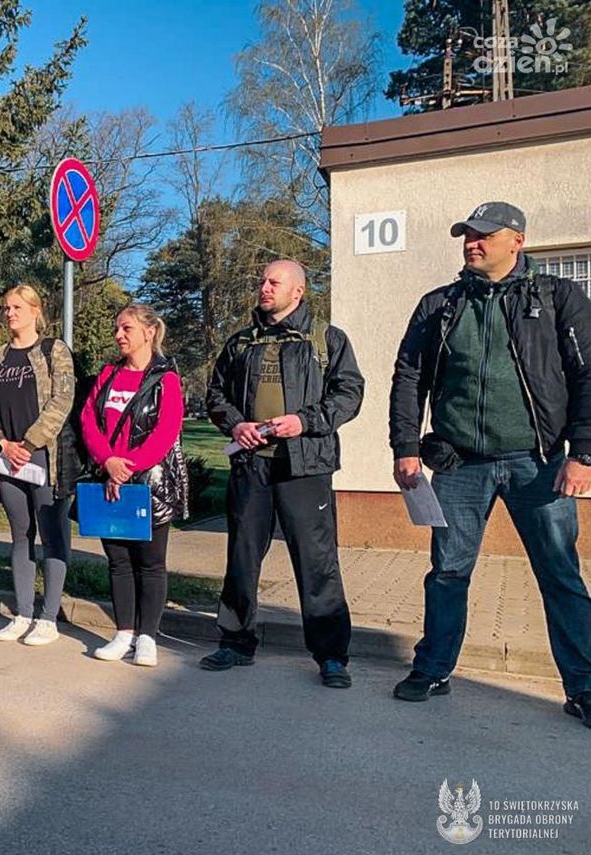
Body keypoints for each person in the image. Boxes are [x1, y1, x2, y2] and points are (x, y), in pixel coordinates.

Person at [389, 202, 591, 725]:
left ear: (517, 241)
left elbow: (589, 376)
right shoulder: (440, 305)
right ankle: (432, 668)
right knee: (448, 572)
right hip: (460, 466)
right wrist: (405, 447)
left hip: (539, 463)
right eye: (467, 235)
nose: (472, 243)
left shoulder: (557, 298)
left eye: (484, 235)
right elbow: (408, 378)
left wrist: (584, 453)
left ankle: (584, 686)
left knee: (560, 574)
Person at [202, 260, 364, 687]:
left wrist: (306, 421)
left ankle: (331, 656)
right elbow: (215, 393)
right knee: (241, 557)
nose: (264, 287)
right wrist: (235, 423)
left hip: (305, 465)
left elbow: (349, 393)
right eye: (262, 281)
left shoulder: (326, 340)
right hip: (250, 465)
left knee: (317, 562)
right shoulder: (241, 343)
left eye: (274, 282)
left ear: (299, 291)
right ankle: (235, 642)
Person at [81, 303, 188, 667]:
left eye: (126, 328)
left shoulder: (166, 379)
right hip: (109, 479)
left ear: (148, 332)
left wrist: (128, 467)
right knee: (118, 562)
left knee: (151, 563)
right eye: (117, 329)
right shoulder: (108, 375)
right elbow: (88, 420)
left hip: (148, 485)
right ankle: (123, 632)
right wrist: (107, 462)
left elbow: (166, 432)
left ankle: (148, 637)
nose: (118, 335)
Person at [0, 285, 75, 646]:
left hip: (44, 456)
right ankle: (23, 612)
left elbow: (62, 400)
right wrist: (3, 443)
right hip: (7, 458)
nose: (9, 313)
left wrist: (30, 443)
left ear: (36, 310)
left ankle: (48, 617)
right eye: (5, 308)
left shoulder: (54, 351)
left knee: (52, 534)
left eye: (17, 307)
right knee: (20, 535)